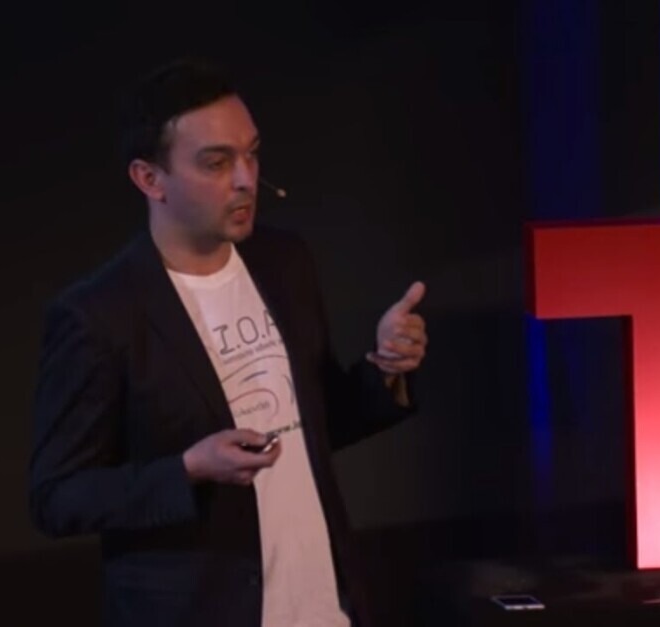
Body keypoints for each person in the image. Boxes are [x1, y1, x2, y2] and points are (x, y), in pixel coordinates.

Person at [28, 58, 427, 627]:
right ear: (149, 179)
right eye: (217, 162)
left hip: (323, 608)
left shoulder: (284, 262)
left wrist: (385, 367)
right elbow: (57, 497)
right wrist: (187, 469)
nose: (245, 179)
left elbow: (315, 425)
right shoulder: (99, 314)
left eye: (252, 154)